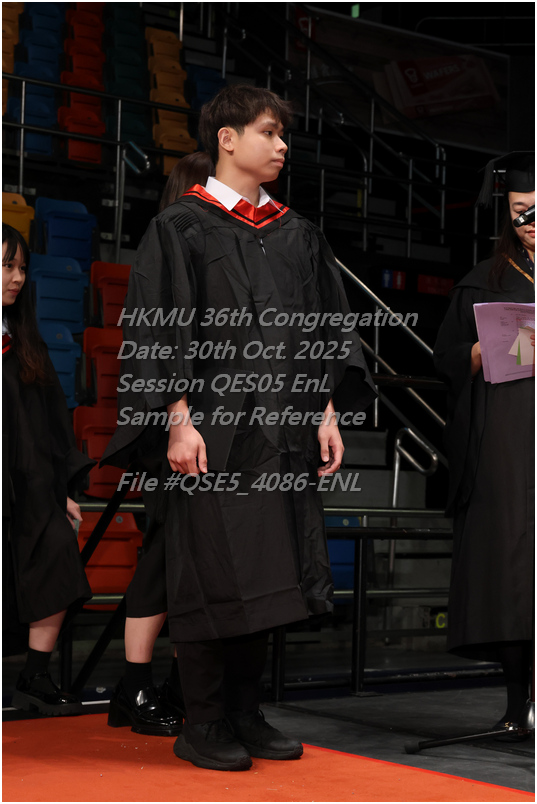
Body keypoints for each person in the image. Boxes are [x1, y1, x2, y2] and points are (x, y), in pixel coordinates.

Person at [103, 85, 376, 771]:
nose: (281, 145)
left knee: (271, 575)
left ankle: (247, 712)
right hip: (214, 435)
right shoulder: (181, 227)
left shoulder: (296, 233)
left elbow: (325, 326)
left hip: (282, 435)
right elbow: (156, 328)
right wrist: (177, 421)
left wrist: (325, 410)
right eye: (268, 132)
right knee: (210, 576)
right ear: (226, 138)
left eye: (282, 134)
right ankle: (202, 721)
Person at [108, 152, 214, 737]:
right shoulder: (167, 247)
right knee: (164, 557)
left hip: (211, 427)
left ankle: (175, 683)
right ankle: (134, 686)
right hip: (168, 427)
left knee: (196, 562)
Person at [434, 152, 534, 737]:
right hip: (505, 439)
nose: (529, 223)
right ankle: (519, 705)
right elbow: (447, 359)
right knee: (511, 568)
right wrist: (486, 348)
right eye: (520, 212)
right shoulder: (485, 279)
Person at [2, 223, 94, 715]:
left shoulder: (24, 342)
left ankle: (35, 673)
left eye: (21, 268)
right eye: (6, 266)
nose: (16, 278)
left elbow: (51, 424)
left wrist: (62, 491)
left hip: (31, 488)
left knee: (58, 553)